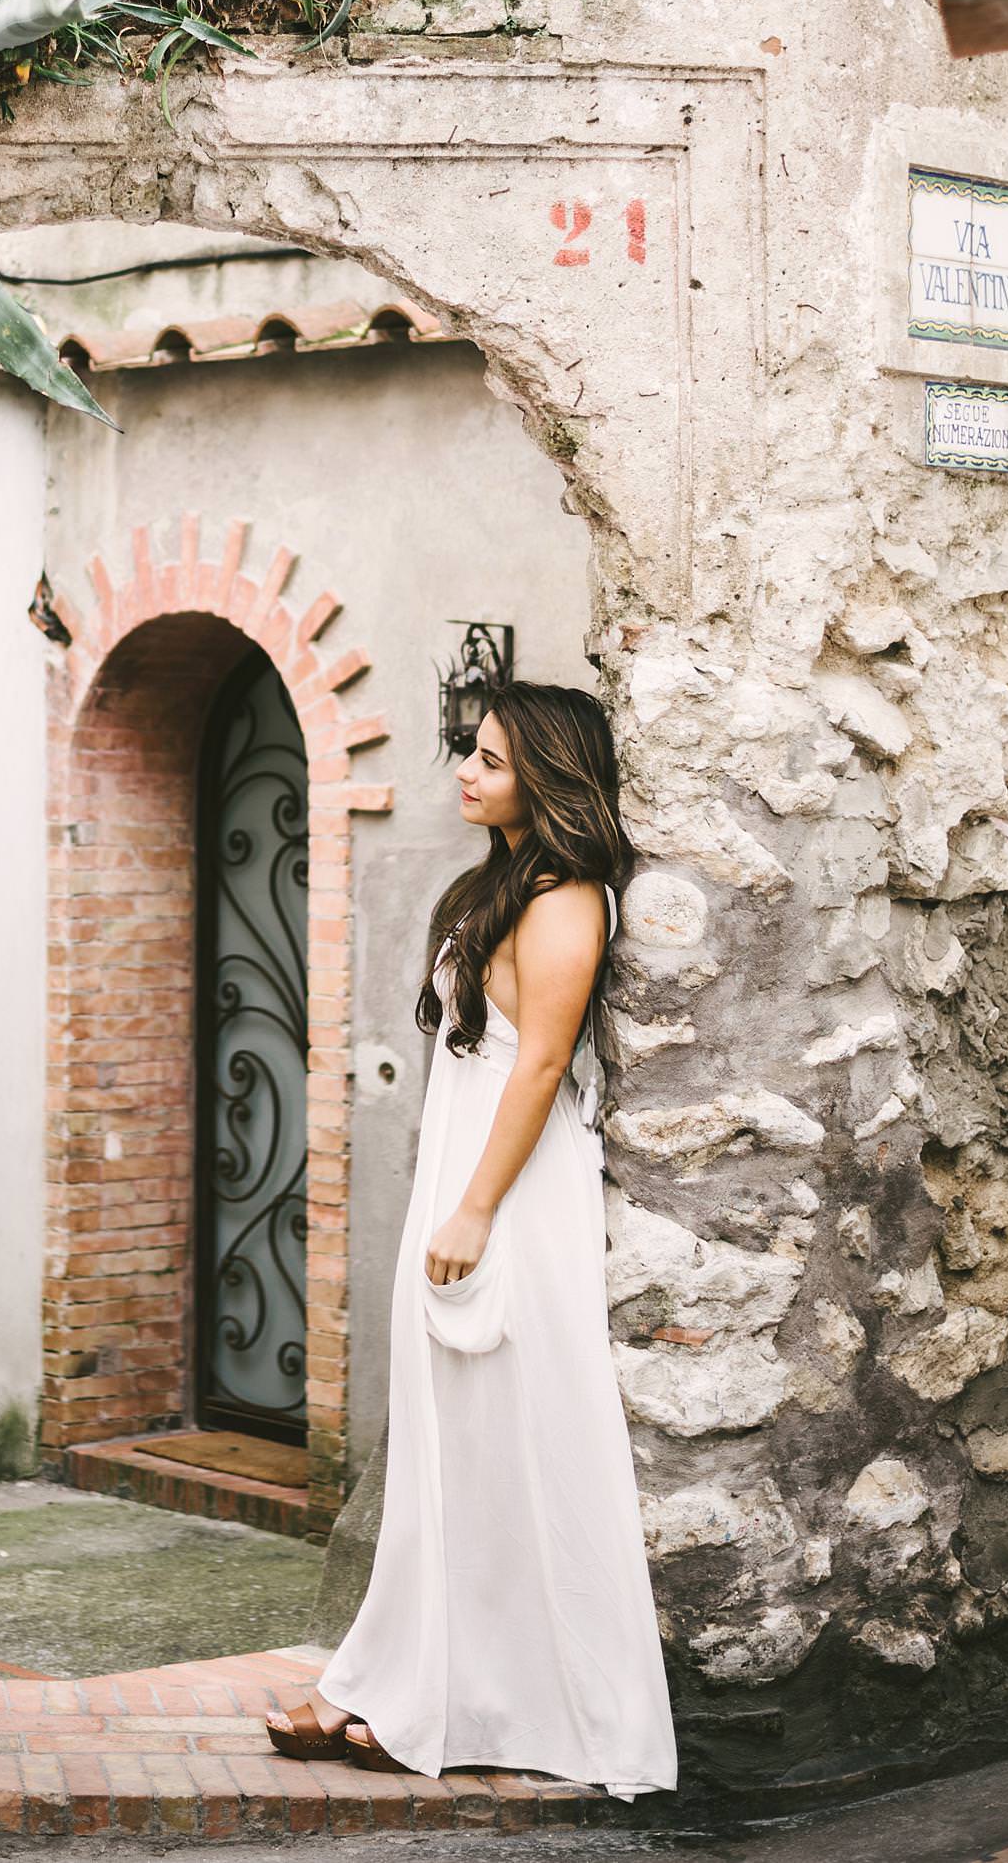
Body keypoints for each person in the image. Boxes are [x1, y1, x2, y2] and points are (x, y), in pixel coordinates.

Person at [266, 683, 676, 1797]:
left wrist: (477, 1209)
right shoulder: (503, 884)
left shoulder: (568, 897)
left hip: (511, 1193)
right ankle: (409, 1683)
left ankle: (486, 1701)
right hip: (467, 1172)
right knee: (448, 1450)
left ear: (545, 775)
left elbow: (540, 1064)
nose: (466, 771)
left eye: (491, 759)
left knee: (506, 1439)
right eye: (471, 751)